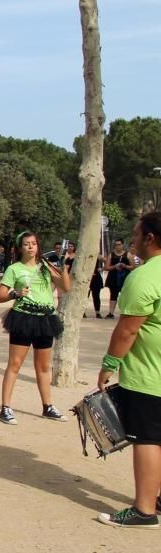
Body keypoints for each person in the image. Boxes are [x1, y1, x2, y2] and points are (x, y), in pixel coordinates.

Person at [96, 212, 161, 528]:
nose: (132, 239)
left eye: (136, 233)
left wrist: (109, 365)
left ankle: (144, 510)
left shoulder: (145, 276)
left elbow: (127, 331)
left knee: (148, 438)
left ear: (150, 237)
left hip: (150, 375)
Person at [0, 230, 71, 424]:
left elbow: (66, 287)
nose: (31, 246)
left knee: (43, 366)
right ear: (19, 248)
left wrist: (63, 266)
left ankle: (48, 406)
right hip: (23, 317)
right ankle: (5, 407)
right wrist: (16, 293)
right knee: (15, 364)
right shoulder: (14, 269)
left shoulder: (46, 266)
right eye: (27, 243)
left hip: (45, 318)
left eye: (34, 243)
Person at [105, 238, 131, 319]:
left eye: (119, 244)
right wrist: (114, 266)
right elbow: (106, 267)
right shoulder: (111, 255)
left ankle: (125, 312)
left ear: (122, 245)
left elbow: (133, 267)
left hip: (124, 278)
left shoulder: (128, 254)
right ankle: (111, 313)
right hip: (113, 277)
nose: (117, 246)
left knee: (125, 295)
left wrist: (125, 266)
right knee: (113, 295)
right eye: (116, 245)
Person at [89, 253, 106, 318]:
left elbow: (107, 261)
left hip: (95, 277)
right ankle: (83, 312)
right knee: (84, 296)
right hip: (86, 277)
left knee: (96, 295)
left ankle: (97, 312)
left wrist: (102, 269)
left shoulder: (96, 254)